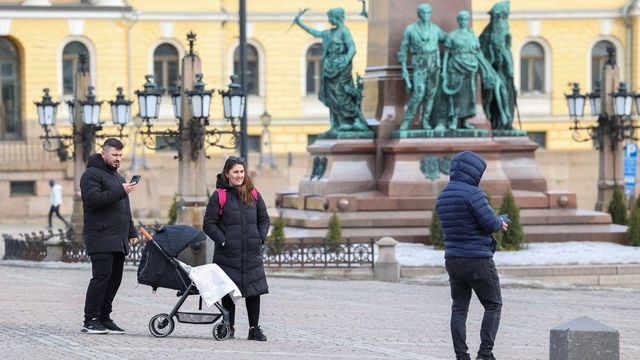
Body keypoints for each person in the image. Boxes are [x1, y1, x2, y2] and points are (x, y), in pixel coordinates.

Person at [435, 151, 509, 360]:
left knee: (459, 309)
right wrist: (501, 221)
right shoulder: (474, 194)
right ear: (474, 172)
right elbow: (491, 224)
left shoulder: (444, 195)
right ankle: (485, 354)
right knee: (493, 304)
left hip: (453, 258)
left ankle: (462, 356)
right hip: (477, 259)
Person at [203, 156, 270, 341]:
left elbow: (264, 219)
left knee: (254, 290)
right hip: (228, 253)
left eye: (242, 172)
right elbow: (209, 224)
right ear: (227, 174)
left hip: (251, 251)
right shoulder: (219, 195)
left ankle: (254, 329)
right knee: (229, 292)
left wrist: (260, 237)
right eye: (235, 172)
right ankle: (228, 327)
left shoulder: (253, 193)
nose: (239, 175)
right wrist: (223, 241)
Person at [80, 138, 138, 334]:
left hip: (118, 238)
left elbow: (124, 208)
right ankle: (91, 319)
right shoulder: (91, 175)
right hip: (100, 236)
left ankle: (104, 317)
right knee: (101, 278)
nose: (118, 159)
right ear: (103, 153)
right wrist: (120, 191)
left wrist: (131, 231)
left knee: (115, 279)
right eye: (114, 155)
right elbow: (94, 200)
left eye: (120, 155)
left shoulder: (118, 178)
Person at [293, 7, 370, 135]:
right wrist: (300, 23)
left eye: (330, 17)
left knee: (341, 95)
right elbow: (315, 33)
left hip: (341, 69)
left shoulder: (344, 31)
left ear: (336, 17)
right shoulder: (329, 33)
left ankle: (354, 120)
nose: (328, 20)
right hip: (330, 69)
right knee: (331, 97)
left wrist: (345, 60)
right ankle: (336, 125)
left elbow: (352, 47)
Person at [397, 3, 447, 130]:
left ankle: (425, 121)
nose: (425, 15)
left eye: (428, 12)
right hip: (419, 62)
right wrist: (404, 70)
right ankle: (407, 120)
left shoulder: (435, 29)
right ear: (418, 14)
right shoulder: (410, 29)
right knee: (419, 93)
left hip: (434, 62)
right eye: (423, 13)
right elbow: (403, 49)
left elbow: (448, 39)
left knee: (431, 93)